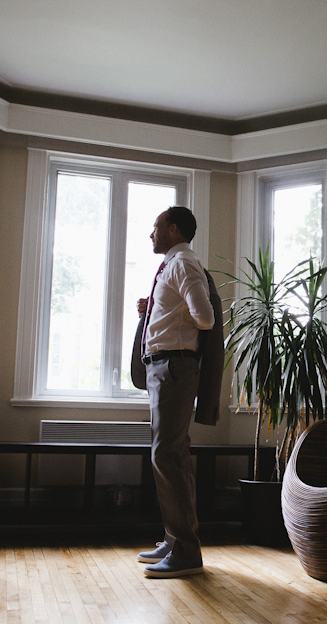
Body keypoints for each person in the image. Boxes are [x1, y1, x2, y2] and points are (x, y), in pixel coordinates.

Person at [131, 206, 222, 578]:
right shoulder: (173, 265)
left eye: (155, 227)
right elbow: (182, 312)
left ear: (172, 229)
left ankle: (185, 551)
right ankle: (174, 540)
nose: (151, 234)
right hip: (164, 368)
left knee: (167, 456)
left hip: (174, 369)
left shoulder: (183, 263)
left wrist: (172, 311)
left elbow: (205, 317)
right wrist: (152, 309)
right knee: (171, 456)